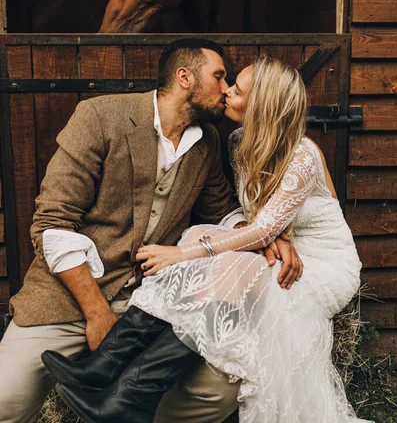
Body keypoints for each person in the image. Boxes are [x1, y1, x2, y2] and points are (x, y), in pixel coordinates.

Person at [44, 56, 371, 423]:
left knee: (224, 260)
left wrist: (182, 255)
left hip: (322, 262)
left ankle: (130, 393)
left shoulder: (302, 155)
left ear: (261, 103)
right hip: (279, 245)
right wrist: (271, 236)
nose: (226, 90)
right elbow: (255, 221)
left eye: (237, 89)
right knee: (204, 235)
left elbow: (263, 228)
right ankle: (107, 370)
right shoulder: (236, 142)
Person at [0, 39, 301, 423]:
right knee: (5, 400)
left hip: (151, 299)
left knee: (222, 389)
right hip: (69, 295)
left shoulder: (206, 141)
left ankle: (125, 411)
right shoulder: (99, 117)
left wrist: (264, 234)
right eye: (219, 76)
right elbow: (52, 224)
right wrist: (97, 314)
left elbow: (223, 212)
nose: (226, 89)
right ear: (185, 78)